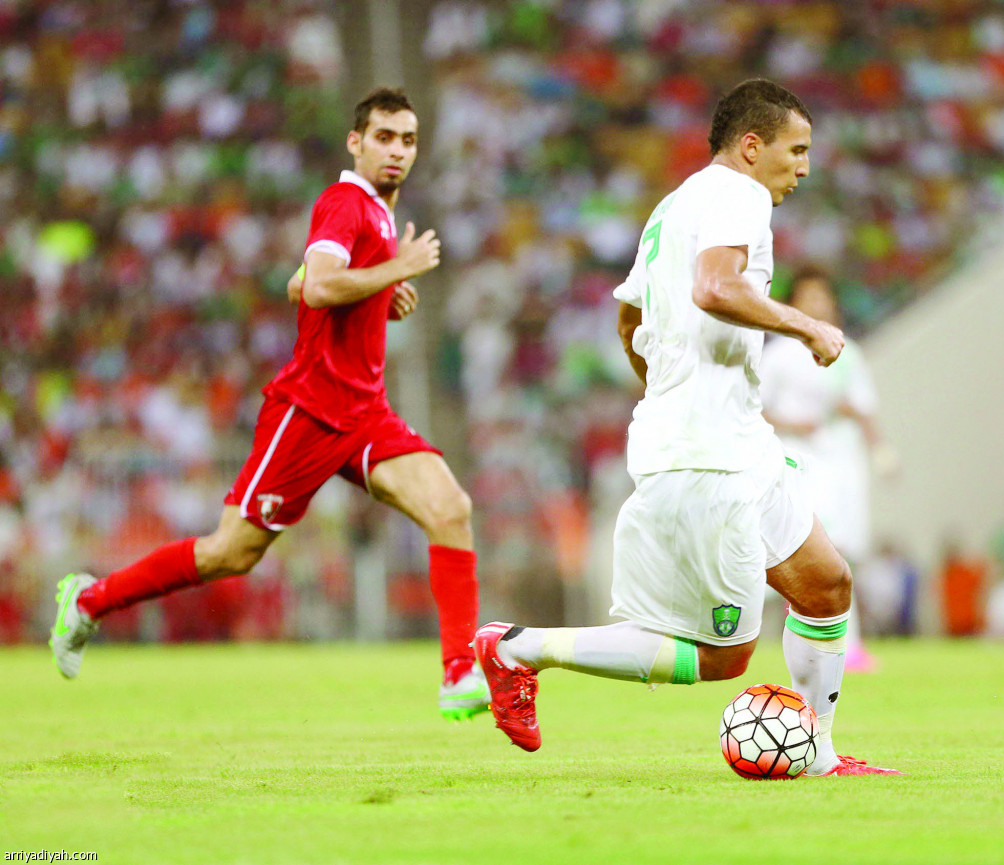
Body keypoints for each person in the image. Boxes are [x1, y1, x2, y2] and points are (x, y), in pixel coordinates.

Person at [472, 79, 900, 775]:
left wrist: (668, 391)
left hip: (736, 438)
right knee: (722, 657)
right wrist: (806, 325)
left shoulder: (672, 207)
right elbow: (715, 287)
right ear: (752, 146)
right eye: (796, 150)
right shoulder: (739, 195)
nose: (804, 167)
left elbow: (628, 318)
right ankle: (518, 647)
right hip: (708, 455)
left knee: (826, 584)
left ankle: (819, 752)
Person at [50, 88, 489, 722]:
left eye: (408, 140)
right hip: (309, 412)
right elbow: (316, 287)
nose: (397, 150)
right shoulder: (345, 202)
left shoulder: (379, 213)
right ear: (356, 142)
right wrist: (395, 272)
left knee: (450, 509)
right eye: (384, 137)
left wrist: (376, 291)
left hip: (365, 412)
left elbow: (297, 282)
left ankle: (458, 673)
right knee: (231, 552)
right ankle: (88, 601)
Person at [758, 267, 898, 671]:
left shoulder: (847, 352)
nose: (817, 304)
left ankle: (846, 645)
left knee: (844, 551)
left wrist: (880, 449)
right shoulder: (779, 355)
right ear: (792, 304)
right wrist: (792, 424)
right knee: (809, 549)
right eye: (808, 297)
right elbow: (754, 408)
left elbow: (863, 407)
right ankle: (795, 637)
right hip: (795, 460)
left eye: (823, 296)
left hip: (841, 463)